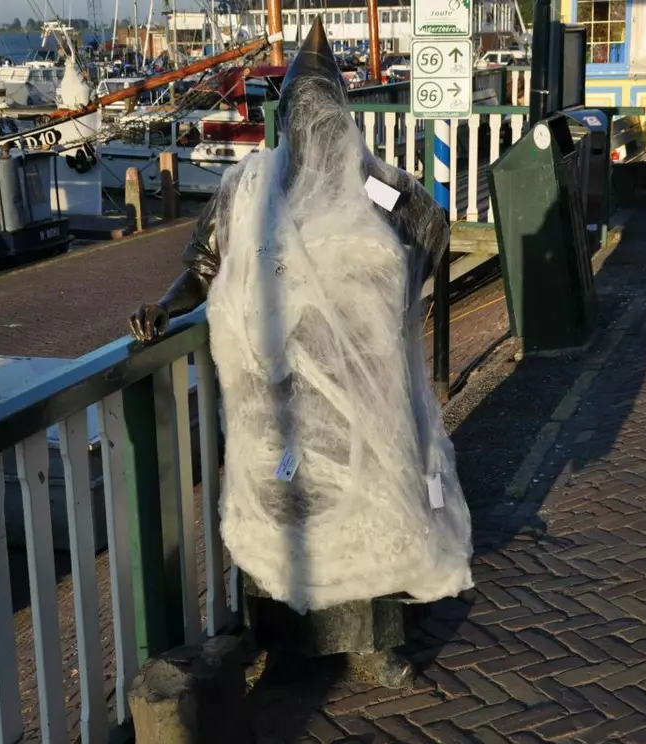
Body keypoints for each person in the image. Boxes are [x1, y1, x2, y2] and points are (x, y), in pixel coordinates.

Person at [130, 17, 473, 618]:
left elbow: (430, 228)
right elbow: (205, 267)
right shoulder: (245, 190)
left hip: (359, 382)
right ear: (286, 117)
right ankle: (288, 626)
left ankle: (373, 629)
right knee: (289, 501)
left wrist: (389, 297)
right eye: (302, 115)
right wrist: (164, 306)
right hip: (279, 388)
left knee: (373, 498)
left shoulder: (370, 184)